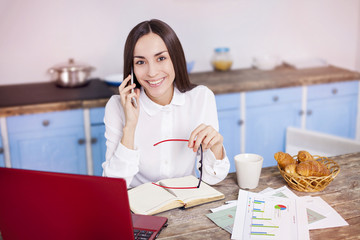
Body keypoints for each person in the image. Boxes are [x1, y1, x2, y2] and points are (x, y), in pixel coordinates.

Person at [102, 19, 230, 188]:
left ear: (175, 59)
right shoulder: (117, 107)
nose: (152, 72)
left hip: (185, 203)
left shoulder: (201, 98)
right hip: (139, 207)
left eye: (161, 58)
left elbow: (213, 178)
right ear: (131, 68)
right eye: (140, 62)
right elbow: (113, 185)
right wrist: (130, 127)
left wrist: (216, 146)